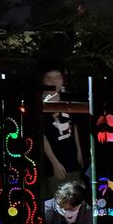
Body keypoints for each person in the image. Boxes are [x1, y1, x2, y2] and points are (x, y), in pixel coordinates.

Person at [40, 65, 86, 199]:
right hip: (53, 163)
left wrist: (79, 151)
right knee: (57, 199)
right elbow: (41, 135)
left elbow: (74, 126)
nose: (54, 81)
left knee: (76, 196)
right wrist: (54, 162)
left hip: (72, 159)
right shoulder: (40, 102)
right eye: (49, 78)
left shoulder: (67, 99)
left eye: (57, 77)